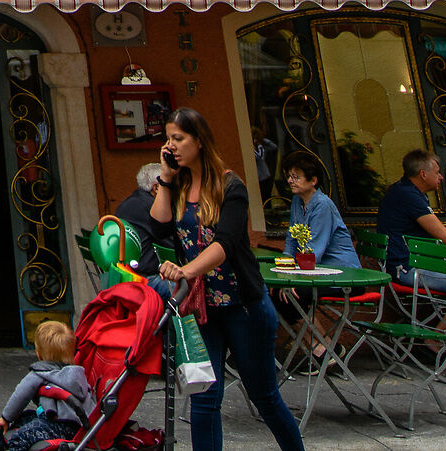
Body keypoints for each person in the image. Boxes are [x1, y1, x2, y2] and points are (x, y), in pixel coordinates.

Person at [149, 107, 306, 451]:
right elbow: (159, 226)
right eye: (168, 139)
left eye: (178, 139)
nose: (170, 145)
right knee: (204, 398)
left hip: (243, 306)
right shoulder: (179, 185)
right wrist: (165, 176)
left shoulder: (230, 186)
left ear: (199, 141)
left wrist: (186, 271)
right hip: (202, 308)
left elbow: (226, 243)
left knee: (264, 395)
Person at [374, 148, 446, 304]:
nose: (441, 177)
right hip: (407, 268)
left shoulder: (404, 190)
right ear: (423, 174)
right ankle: (441, 329)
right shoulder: (409, 195)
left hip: (411, 263)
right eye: (437, 173)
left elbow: (438, 230)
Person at [280, 152, 358, 357]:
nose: (290, 180)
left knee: (292, 296)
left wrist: (292, 279)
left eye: (295, 176)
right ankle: (326, 349)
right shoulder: (297, 202)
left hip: (342, 274)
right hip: (315, 271)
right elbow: (291, 241)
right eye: (289, 176)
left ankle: (324, 351)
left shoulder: (323, 205)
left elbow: (315, 251)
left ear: (313, 180)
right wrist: (284, 272)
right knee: (278, 295)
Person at [0, 319, 94, 451]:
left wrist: (5, 418)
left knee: (21, 437)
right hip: (80, 426)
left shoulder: (40, 373)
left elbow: (20, 395)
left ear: (39, 354)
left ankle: (3, 447)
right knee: (26, 416)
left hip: (58, 424)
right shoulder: (78, 373)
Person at [112, 162, 165, 275]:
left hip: (128, 274)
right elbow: (174, 244)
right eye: (169, 184)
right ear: (156, 188)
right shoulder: (150, 207)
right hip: (146, 278)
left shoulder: (134, 201)